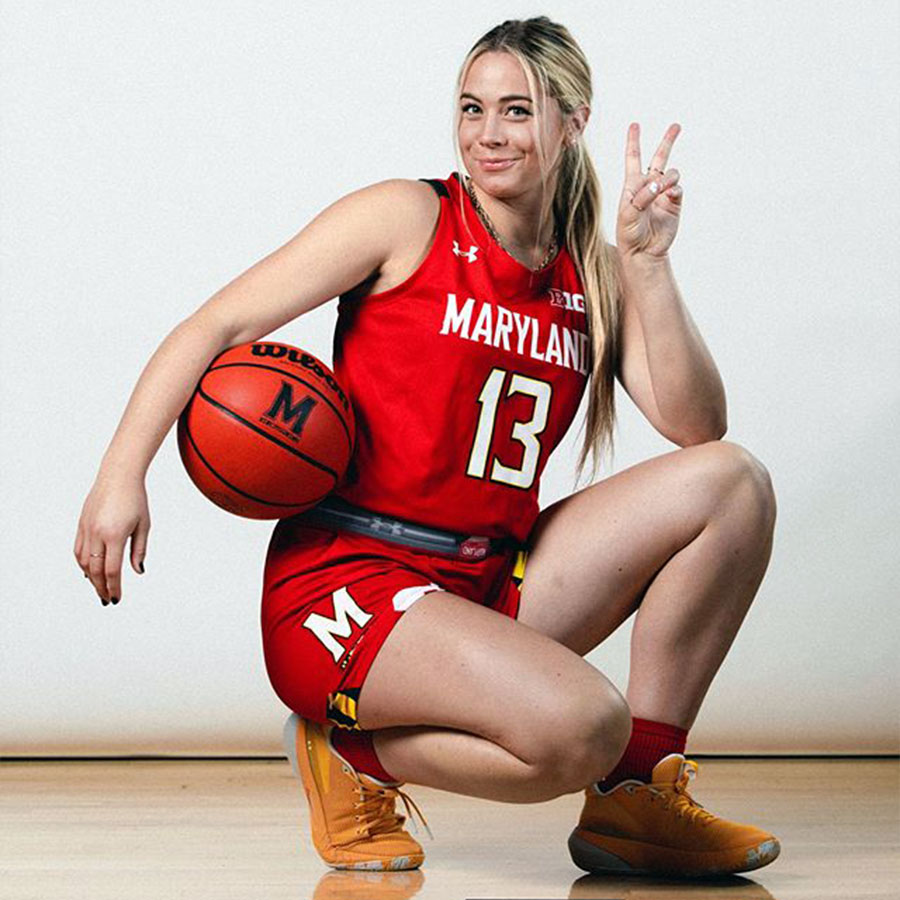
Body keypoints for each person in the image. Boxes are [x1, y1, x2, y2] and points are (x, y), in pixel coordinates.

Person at [74, 15, 780, 879]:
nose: (489, 134)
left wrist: (647, 267)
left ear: (573, 122)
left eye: (517, 111)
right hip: (349, 582)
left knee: (733, 483)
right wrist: (121, 475)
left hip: (486, 576)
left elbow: (697, 426)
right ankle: (348, 753)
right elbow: (216, 324)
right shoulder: (408, 217)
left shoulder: (591, 272)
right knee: (584, 727)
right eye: (472, 108)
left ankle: (638, 797)